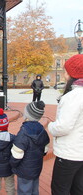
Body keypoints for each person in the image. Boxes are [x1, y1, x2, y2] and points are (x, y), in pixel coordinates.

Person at [48, 54, 83, 195]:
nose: (64, 74)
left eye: (66, 71)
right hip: (80, 152)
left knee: (60, 189)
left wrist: (51, 126)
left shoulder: (73, 97)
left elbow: (63, 127)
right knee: (78, 188)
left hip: (70, 153)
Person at [10, 101, 50, 195]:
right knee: (34, 189)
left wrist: (12, 164)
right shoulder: (42, 130)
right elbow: (45, 149)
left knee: (24, 190)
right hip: (36, 167)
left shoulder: (23, 132)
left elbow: (17, 154)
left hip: (24, 170)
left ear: (27, 115)